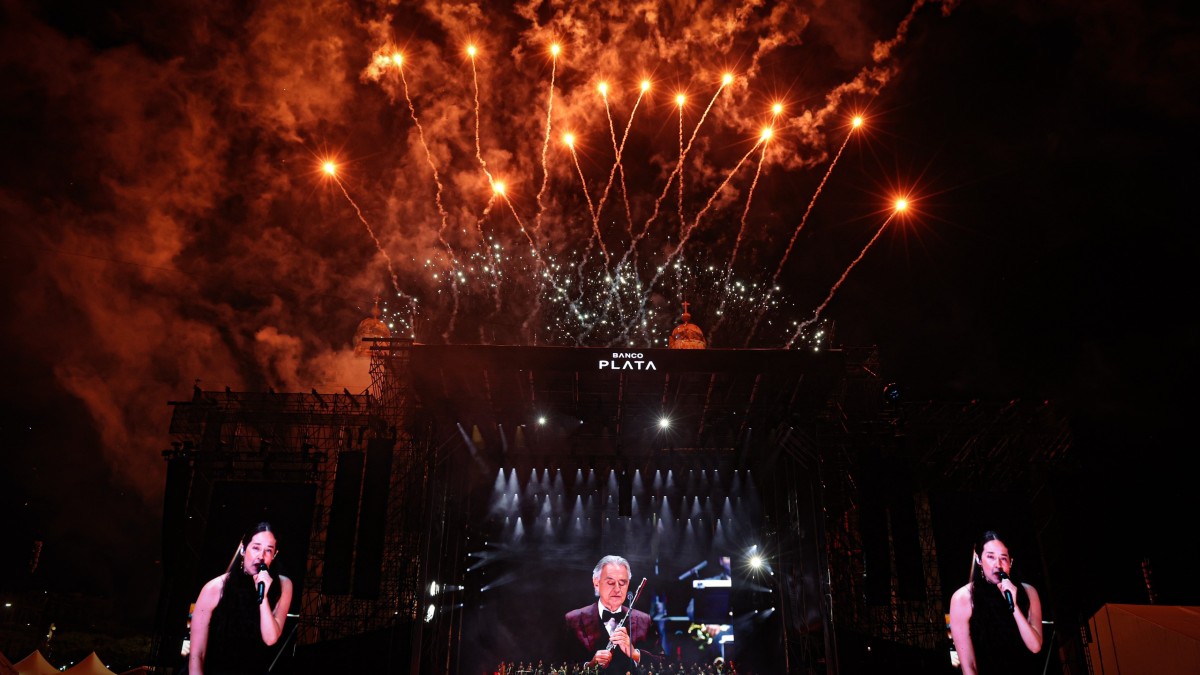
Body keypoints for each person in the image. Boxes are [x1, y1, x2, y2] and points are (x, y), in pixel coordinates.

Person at [188, 522, 293, 675]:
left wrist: (262, 596)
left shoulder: (284, 585)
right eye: (256, 547)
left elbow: (270, 638)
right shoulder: (215, 588)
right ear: (243, 550)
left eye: (268, 551)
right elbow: (197, 655)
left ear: (274, 555)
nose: (261, 556)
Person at [949, 530, 1043, 674]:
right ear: (979, 559)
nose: (997, 564)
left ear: (1010, 562)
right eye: (990, 557)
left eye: (1003, 558)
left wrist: (1014, 606)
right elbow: (969, 666)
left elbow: (1035, 646)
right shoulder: (963, 598)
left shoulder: (1028, 592)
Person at [563, 555, 660, 672]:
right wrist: (589, 666)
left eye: (622, 583)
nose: (617, 589)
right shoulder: (573, 620)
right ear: (596, 583)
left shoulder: (644, 620)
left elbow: (664, 663)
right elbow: (555, 666)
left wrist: (635, 654)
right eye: (610, 582)